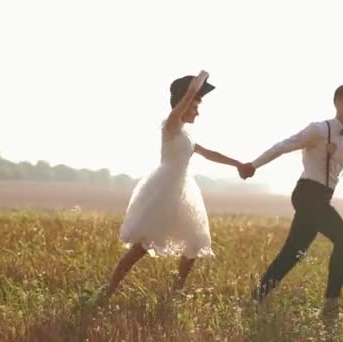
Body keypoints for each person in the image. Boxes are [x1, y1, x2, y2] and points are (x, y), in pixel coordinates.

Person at [97, 71, 244, 302]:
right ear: (184, 105)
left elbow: (210, 154)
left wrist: (238, 164)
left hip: (183, 193)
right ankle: (107, 291)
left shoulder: (186, 134)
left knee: (193, 244)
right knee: (141, 247)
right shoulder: (172, 124)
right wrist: (201, 78)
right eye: (195, 106)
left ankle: (175, 293)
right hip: (164, 191)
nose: (198, 111)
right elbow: (187, 98)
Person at [238, 83, 343, 320]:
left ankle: (255, 300)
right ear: (337, 102)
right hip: (307, 194)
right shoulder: (319, 129)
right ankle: (330, 307)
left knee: (294, 252)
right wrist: (253, 165)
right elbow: (284, 145)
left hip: (323, 198)